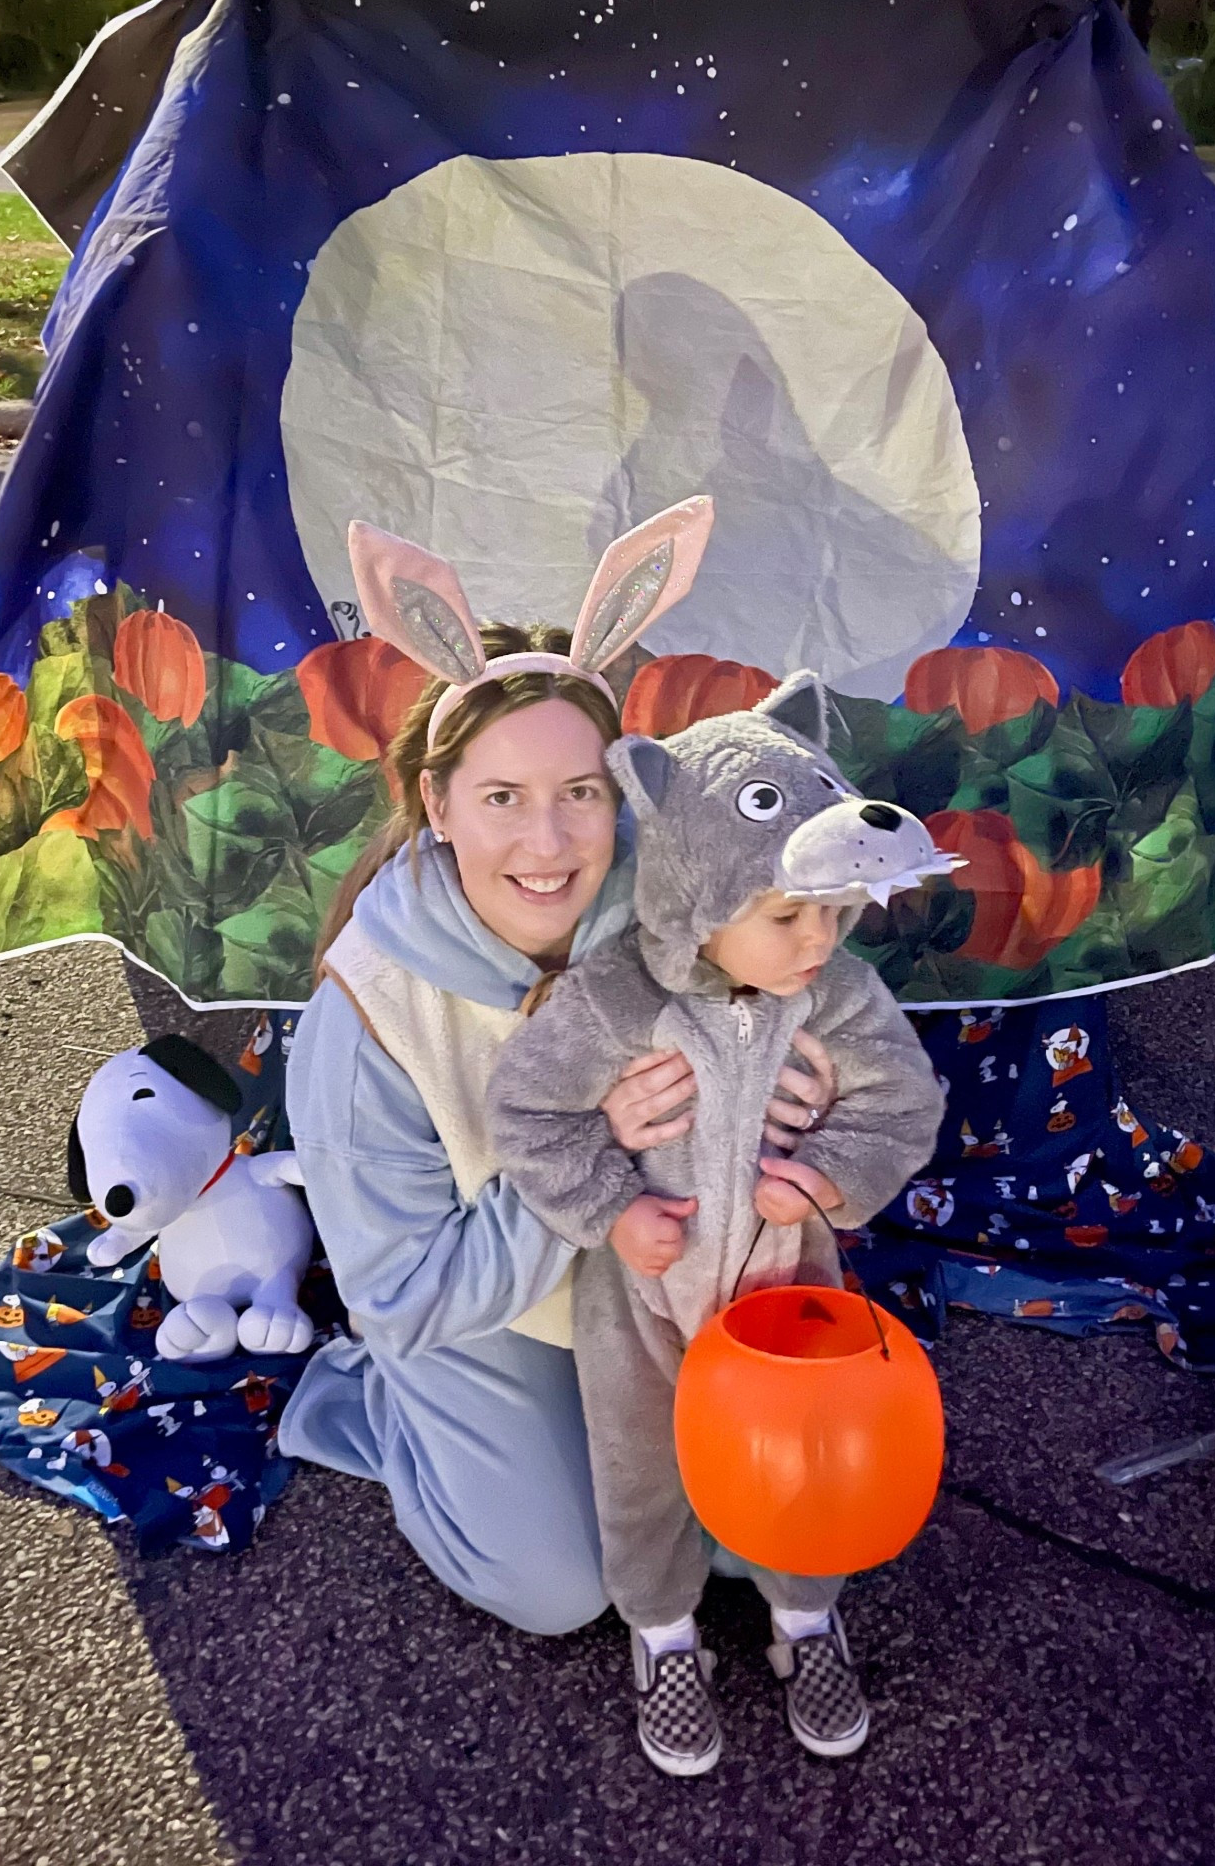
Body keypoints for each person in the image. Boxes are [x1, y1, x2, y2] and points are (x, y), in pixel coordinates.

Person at [278, 502, 837, 1635]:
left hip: (656, 1285)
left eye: (579, 793)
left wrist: (802, 1088)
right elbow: (408, 1292)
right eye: (501, 798)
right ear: (437, 803)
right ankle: (384, 1413)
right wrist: (598, 1157)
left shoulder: (670, 900)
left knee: (753, 1543)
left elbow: (790, 985)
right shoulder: (369, 1018)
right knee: (560, 1589)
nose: (549, 843)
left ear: (618, 791)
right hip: (474, 1311)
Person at [488, 675, 947, 1772]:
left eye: (833, 912)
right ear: (697, 898)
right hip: (644, 1294)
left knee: (813, 1460)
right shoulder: (614, 999)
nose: (817, 940)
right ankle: (663, 1633)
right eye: (786, 914)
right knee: (640, 1465)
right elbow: (527, 1111)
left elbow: (905, 1102)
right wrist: (612, 1206)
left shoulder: (833, 996)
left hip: (791, 1286)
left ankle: (805, 1620)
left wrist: (830, 1176)